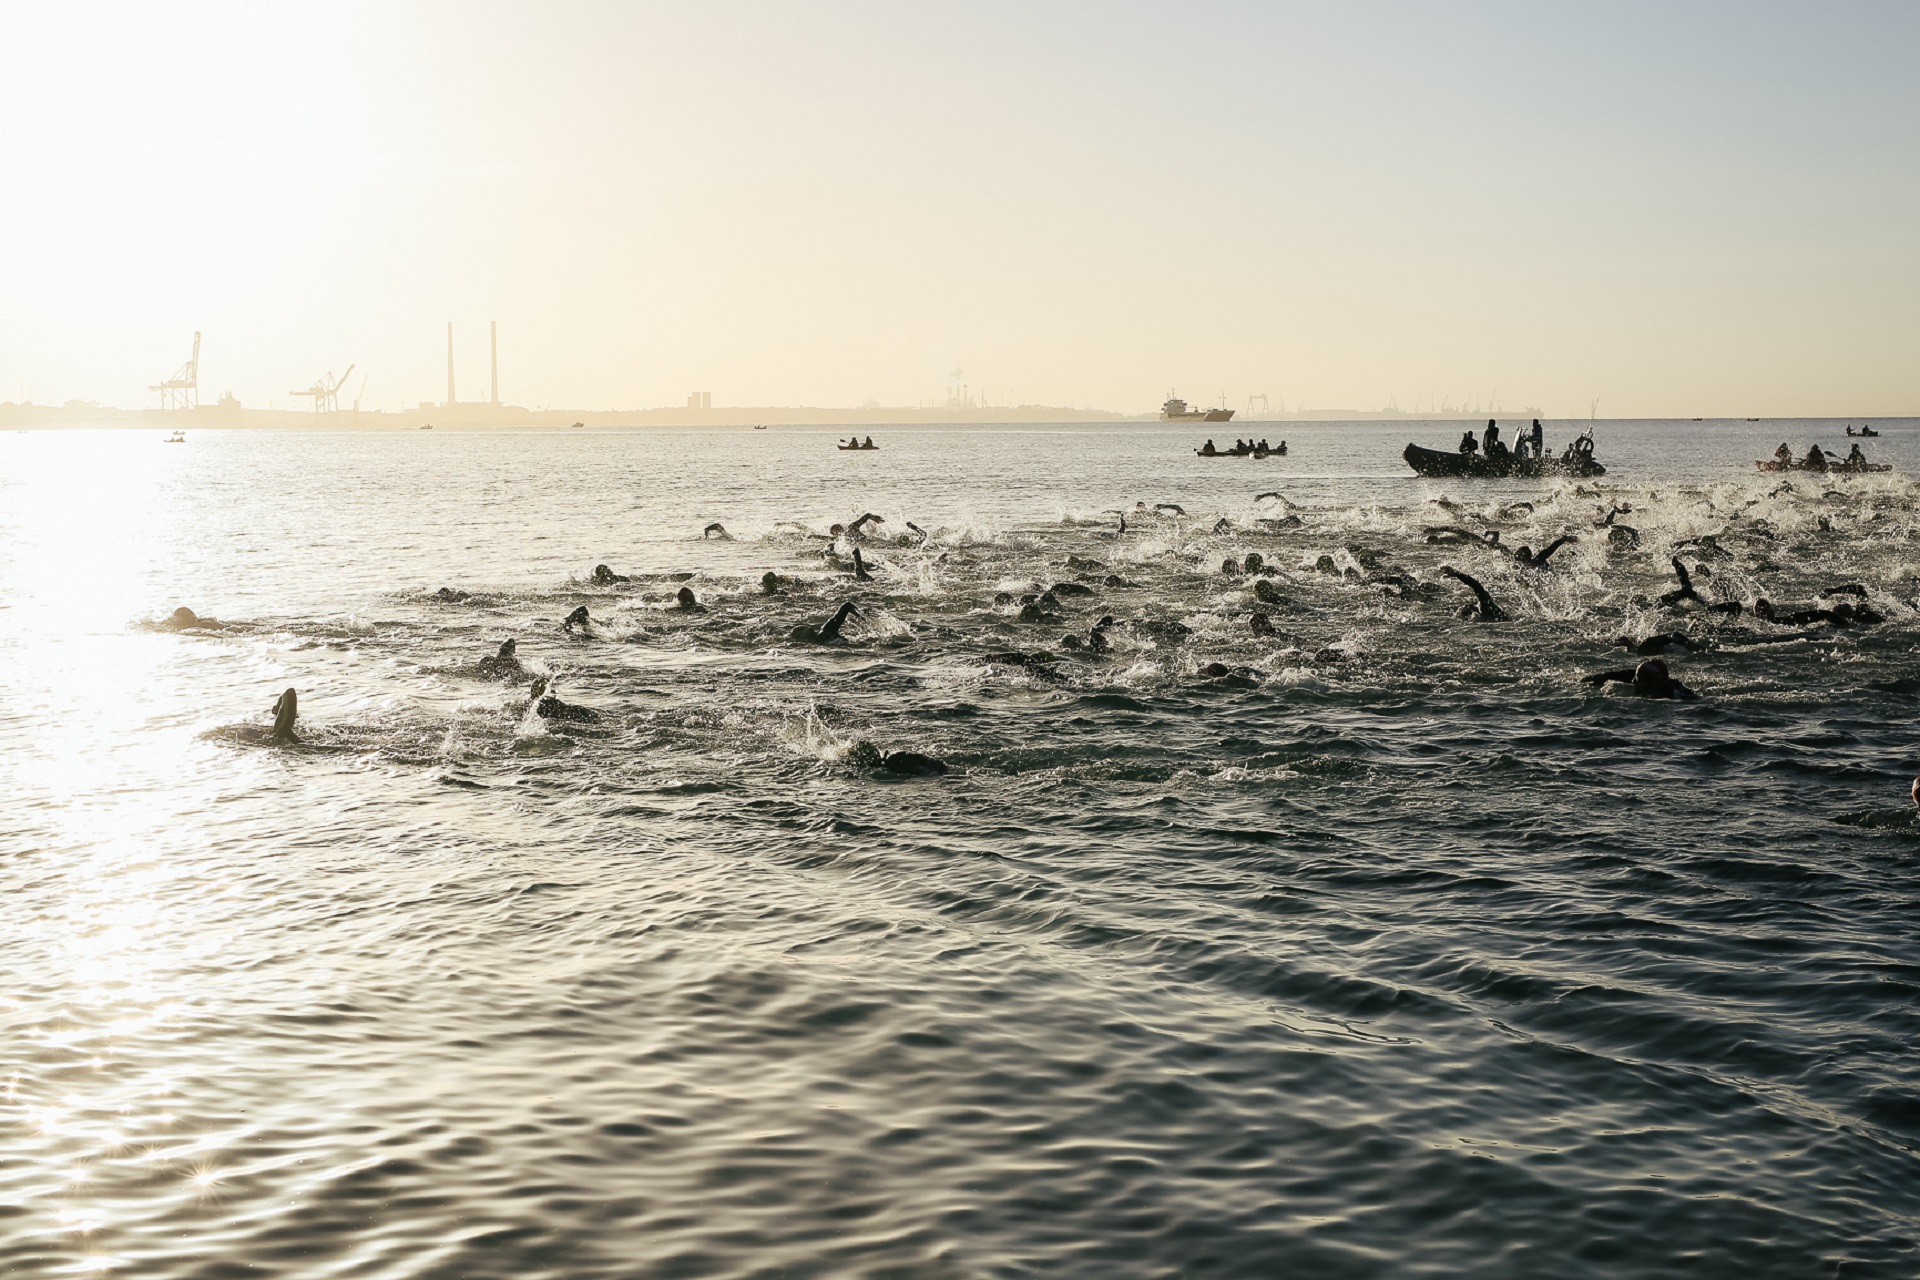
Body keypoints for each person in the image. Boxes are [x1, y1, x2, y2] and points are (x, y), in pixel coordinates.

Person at [1582, 657, 1699, 701]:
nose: (1633, 681)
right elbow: (1630, 675)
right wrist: (1605, 676)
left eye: (1638, 679)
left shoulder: (1671, 697)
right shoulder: (1662, 682)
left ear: (1651, 683)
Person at [1440, 565, 1506, 621]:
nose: (1465, 605)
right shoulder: (1486, 609)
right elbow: (1477, 586)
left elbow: (1477, 586)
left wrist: (1457, 574)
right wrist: (1457, 574)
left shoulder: (1486, 609)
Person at [790, 600, 860, 644]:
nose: (808, 628)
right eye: (803, 630)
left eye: (806, 627)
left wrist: (862, 617)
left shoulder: (826, 630)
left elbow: (846, 606)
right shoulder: (825, 633)